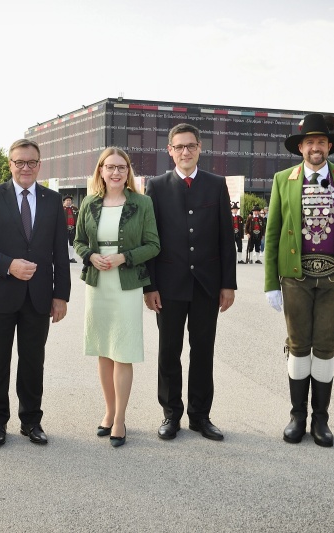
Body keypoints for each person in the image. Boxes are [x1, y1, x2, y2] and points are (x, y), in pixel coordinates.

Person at [264, 113, 334, 448]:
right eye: (309, 142)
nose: (315, 148)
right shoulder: (284, 179)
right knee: (298, 347)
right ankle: (297, 415)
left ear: (329, 146)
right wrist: (270, 282)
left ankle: (320, 419)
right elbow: (273, 233)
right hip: (295, 278)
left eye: (321, 142)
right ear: (300, 147)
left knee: (325, 349)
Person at [0, 138, 70, 447]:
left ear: (39, 165)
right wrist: (8, 264)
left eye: (32, 163)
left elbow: (59, 253)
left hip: (38, 296)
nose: (26, 168)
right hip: (0, 293)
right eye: (19, 162)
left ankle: (31, 421)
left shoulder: (52, 200)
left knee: (32, 361)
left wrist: (61, 295)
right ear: (9, 165)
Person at [144, 123, 236, 442]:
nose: (185, 152)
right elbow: (150, 240)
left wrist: (228, 284)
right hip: (168, 287)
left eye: (191, 146)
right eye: (179, 146)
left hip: (207, 285)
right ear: (169, 150)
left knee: (202, 351)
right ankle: (171, 414)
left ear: (200, 148)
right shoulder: (156, 186)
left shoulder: (215, 184)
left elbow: (227, 238)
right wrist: (149, 286)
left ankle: (200, 415)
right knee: (169, 351)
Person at [73, 148, 160, 447]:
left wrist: (124, 257)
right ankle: (108, 412)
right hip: (98, 283)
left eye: (121, 167)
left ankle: (120, 419)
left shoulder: (142, 202)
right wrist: (91, 255)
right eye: (109, 167)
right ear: (100, 170)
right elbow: (78, 241)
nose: (115, 173)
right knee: (104, 349)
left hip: (126, 283)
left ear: (128, 171)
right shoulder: (89, 203)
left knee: (123, 349)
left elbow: (153, 245)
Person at [63, 195, 78, 263]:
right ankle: (64, 257)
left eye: (69, 200)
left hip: (72, 228)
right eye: (67, 200)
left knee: (72, 243)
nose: (68, 202)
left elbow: (79, 218)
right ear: (64, 201)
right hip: (64, 229)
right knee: (64, 243)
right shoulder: (61, 208)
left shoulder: (75, 209)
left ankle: (71, 257)